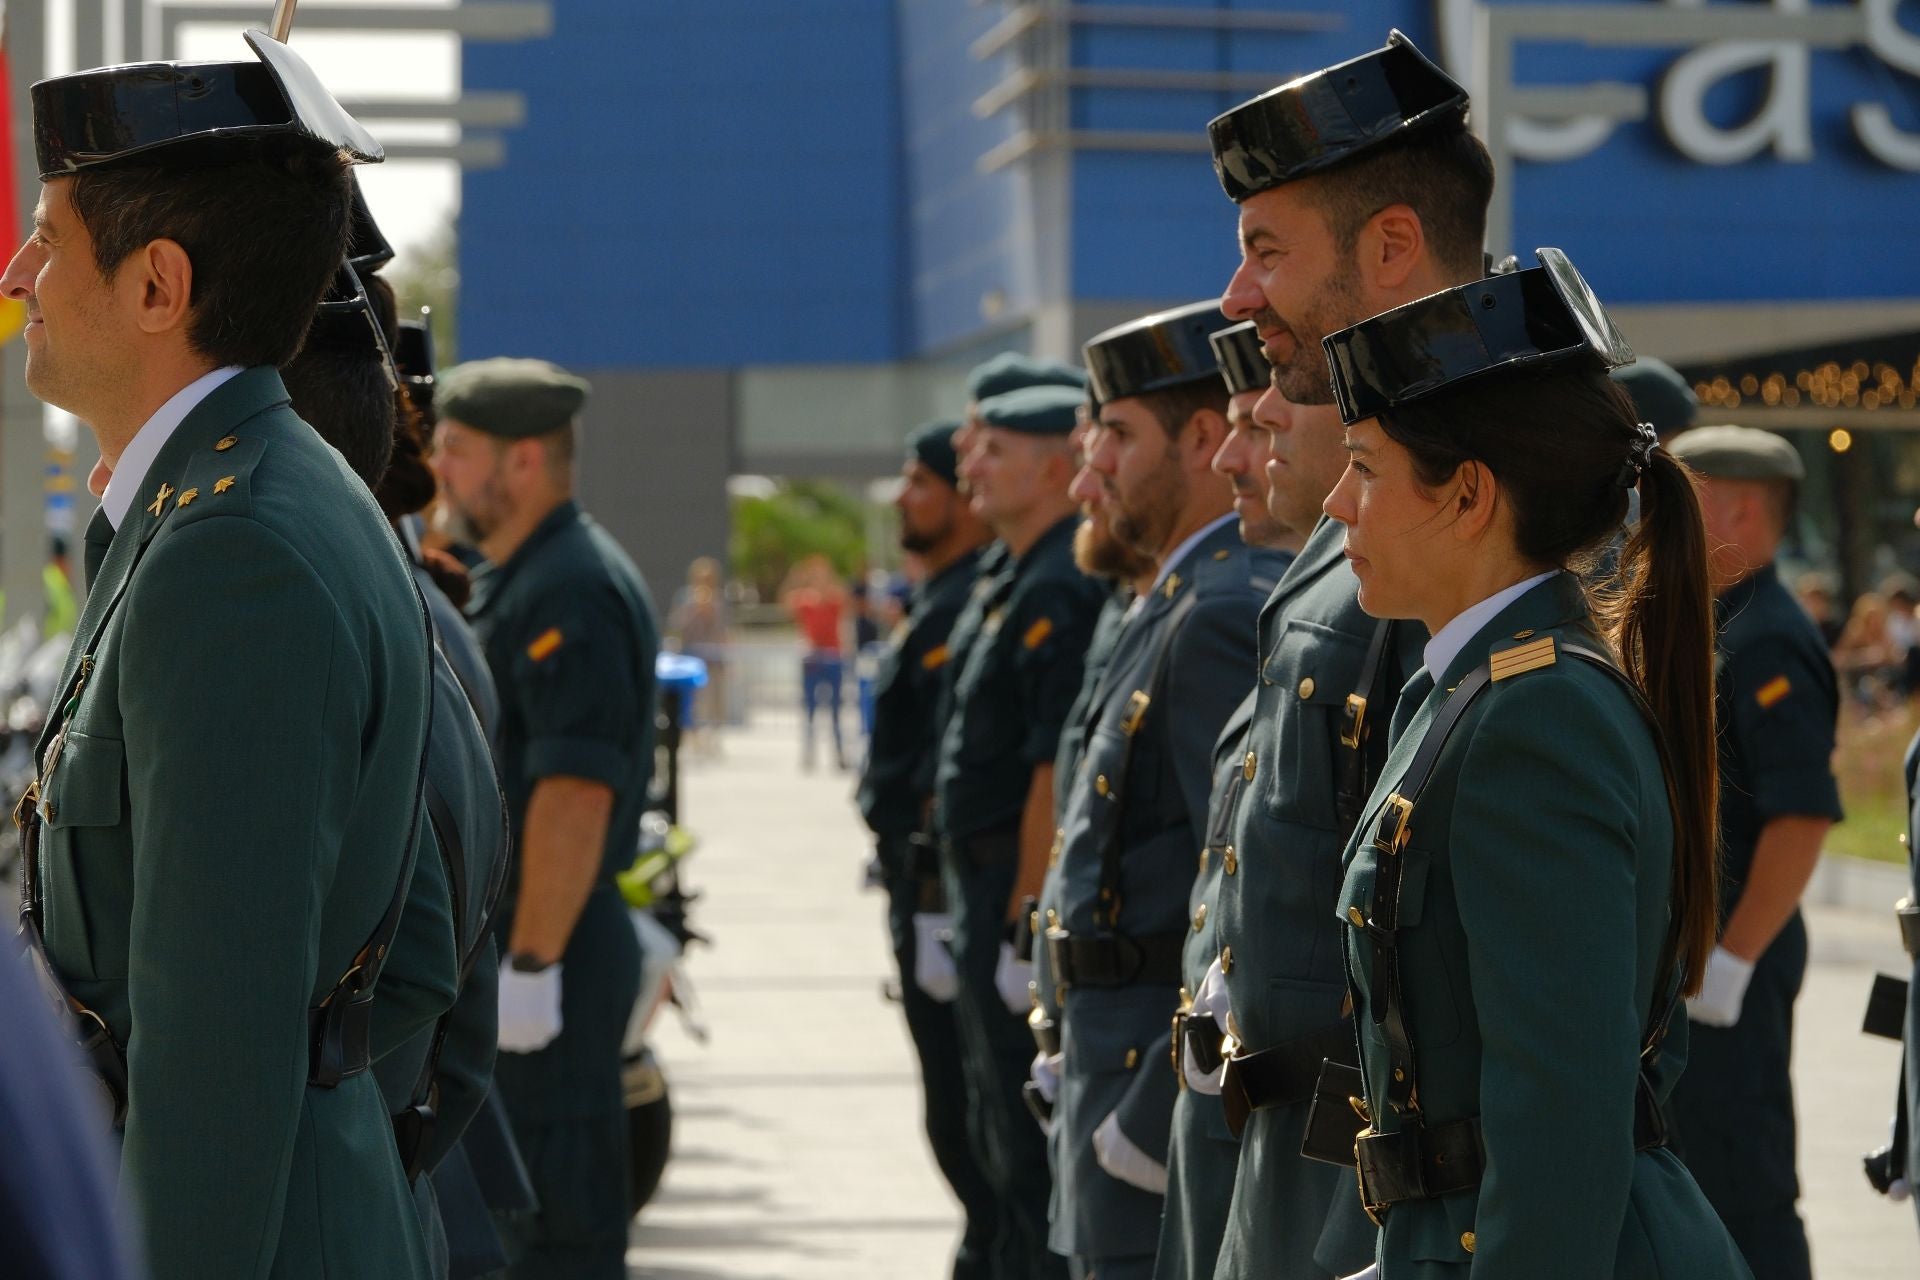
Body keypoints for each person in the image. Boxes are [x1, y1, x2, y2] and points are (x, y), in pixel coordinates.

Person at [2, 31, 443, 1279]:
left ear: (157, 287)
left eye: (49, 235)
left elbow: (215, 1053)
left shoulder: (233, 552)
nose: (19, 269)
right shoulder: (225, 502)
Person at [1317, 248, 1750, 1279]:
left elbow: (1562, 1106)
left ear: (1468, 494)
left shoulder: (1536, 714)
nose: (1338, 502)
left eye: (1367, 468)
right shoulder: (1461, 691)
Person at [1199, 31, 1486, 1279]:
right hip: (1289, 1171)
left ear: (1390, 247)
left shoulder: (1487, 496)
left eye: (1268, 252)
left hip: (1380, 1195)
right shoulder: (1368, 493)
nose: (1236, 296)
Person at [1030, 301, 1282, 1280]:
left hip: (1149, 1073)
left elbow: (1234, 886)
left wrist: (1147, 1110)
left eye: (1121, 435)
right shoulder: (1174, 598)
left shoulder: (1220, 609)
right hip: (1107, 1054)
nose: (1092, 467)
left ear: (1204, 438)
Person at [431, 357, 661, 1279]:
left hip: (553, 948)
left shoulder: (570, 586)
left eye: (455, 450)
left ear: (522, 462)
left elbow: (574, 793)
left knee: (557, 1231)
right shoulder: (529, 573)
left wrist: (530, 967)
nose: (440, 468)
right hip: (538, 941)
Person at [1664, 423, 1841, 1280]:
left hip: (1735, 960)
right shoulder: (1721, 616)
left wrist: (1731, 962)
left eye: (1686, 495)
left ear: (1738, 505)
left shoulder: (1767, 636)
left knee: (1745, 1177)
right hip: (1707, 955)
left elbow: (1802, 817)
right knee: (1699, 1171)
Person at [937, 382, 1105, 1280]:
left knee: (1023, 1154)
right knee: (990, 1140)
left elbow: (1050, 768)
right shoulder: (1014, 570)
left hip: (1010, 889)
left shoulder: (1058, 581)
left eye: (994, 449)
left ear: (1053, 467)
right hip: (978, 886)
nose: (972, 462)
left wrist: (1022, 923)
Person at [1153, 319, 1300, 1280]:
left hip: (1304, 1129)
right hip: (1231, 1099)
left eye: (1264, 425)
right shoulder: (1289, 605)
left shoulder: (1251, 606)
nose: (1235, 456)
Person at [858, 420, 999, 1280]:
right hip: (922, 895)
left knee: (973, 1120)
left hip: (948, 897)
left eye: (923, 481)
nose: (906, 497)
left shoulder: (968, 603)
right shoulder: (940, 600)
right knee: (952, 1117)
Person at [783, 555, 850, 770]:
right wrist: (796, 579)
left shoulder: (833, 600)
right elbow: (786, 603)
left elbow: (846, 600)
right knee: (810, 710)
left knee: (835, 710)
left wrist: (829, 579)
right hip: (812, 658)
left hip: (832, 657)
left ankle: (839, 753)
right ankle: (809, 754)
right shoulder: (805, 600)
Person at [669, 556, 731, 743]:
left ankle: (713, 738)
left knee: (714, 701)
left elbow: (723, 631)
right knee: (692, 702)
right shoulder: (685, 598)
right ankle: (692, 736)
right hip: (691, 659)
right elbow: (677, 625)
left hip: (713, 660)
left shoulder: (719, 600)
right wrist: (694, 610)